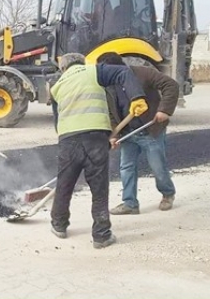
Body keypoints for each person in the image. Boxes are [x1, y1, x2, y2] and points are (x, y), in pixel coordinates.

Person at [49, 52, 147, 249]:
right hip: (95, 137)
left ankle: (59, 225)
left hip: (67, 139)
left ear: (63, 69)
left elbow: (57, 120)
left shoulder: (57, 86)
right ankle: (101, 235)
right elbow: (123, 72)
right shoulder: (94, 71)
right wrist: (136, 96)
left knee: (65, 183)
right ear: (83, 62)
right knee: (98, 187)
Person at [97, 52, 179, 215]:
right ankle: (130, 203)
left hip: (150, 129)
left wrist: (164, 110)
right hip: (129, 133)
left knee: (158, 167)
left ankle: (167, 194)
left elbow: (171, 85)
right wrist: (114, 134)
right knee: (126, 168)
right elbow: (111, 112)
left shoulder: (142, 73)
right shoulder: (107, 85)